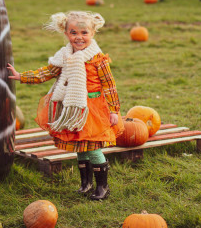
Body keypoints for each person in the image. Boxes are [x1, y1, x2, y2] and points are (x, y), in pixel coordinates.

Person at [7, 11, 124, 201]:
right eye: (73, 32)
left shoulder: (98, 59)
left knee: (93, 147)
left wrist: (114, 110)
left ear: (93, 33)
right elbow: (46, 73)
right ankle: (85, 184)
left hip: (92, 110)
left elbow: (109, 86)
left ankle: (103, 187)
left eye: (84, 32)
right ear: (66, 33)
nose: (79, 37)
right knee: (80, 147)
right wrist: (22, 76)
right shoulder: (64, 56)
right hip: (72, 109)